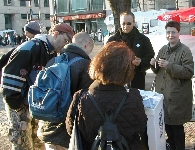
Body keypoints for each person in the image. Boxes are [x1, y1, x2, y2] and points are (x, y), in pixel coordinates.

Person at [1, 23, 74, 150]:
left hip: (33, 103)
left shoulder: (50, 51)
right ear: (56, 34)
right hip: (19, 102)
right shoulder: (31, 48)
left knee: (37, 140)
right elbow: (10, 78)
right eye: (65, 41)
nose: (65, 45)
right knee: (21, 143)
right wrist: (18, 106)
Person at [66, 41, 147, 150]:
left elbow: (71, 129)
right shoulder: (133, 97)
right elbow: (141, 127)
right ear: (126, 70)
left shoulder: (81, 97)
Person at [37, 32, 94, 150]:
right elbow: (86, 104)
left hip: (47, 125)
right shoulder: (86, 66)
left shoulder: (53, 61)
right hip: (68, 133)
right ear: (87, 45)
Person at [107, 11, 154, 149]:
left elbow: (150, 57)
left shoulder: (143, 40)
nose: (126, 26)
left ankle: (139, 143)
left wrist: (141, 62)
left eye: (129, 23)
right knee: (118, 113)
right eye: (123, 23)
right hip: (117, 83)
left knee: (136, 112)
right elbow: (106, 60)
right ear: (119, 24)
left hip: (136, 82)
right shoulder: (112, 40)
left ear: (134, 23)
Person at [150, 21, 194, 150]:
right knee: (167, 126)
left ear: (179, 33)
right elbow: (157, 71)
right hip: (163, 96)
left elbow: (189, 72)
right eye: (168, 32)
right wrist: (154, 65)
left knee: (177, 129)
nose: (170, 35)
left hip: (177, 98)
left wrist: (169, 66)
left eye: (173, 32)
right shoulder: (163, 49)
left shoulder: (185, 51)